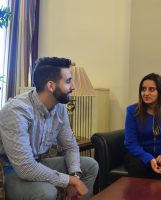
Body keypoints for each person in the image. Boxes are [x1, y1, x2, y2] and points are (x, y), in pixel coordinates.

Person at [0, 57, 99, 200]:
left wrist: (74, 175)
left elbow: (71, 146)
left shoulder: (59, 108)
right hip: (11, 170)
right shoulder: (16, 112)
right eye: (68, 81)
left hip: (37, 163)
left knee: (91, 165)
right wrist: (70, 181)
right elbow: (25, 168)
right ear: (51, 86)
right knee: (47, 192)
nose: (73, 87)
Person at [124, 73, 161, 179]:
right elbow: (130, 142)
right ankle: (136, 196)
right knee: (137, 167)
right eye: (143, 89)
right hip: (139, 154)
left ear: (159, 92)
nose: (146, 93)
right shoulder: (132, 111)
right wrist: (148, 158)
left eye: (151, 89)